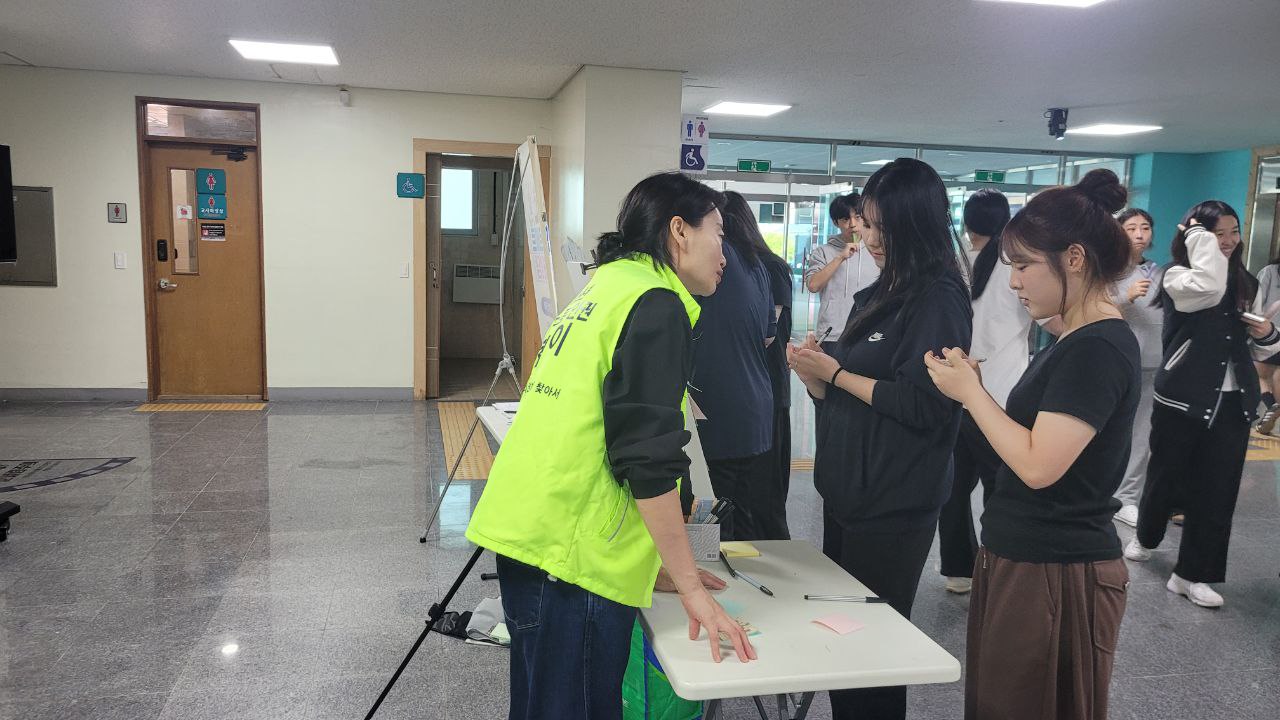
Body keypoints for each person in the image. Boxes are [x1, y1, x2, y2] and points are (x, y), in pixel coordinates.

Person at [465, 172, 755, 720]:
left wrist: (658, 567)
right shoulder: (656, 302)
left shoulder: (607, 287)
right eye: (720, 232)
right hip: (572, 556)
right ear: (679, 231)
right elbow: (646, 459)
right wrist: (693, 588)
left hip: (535, 534)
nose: (727, 251)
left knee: (540, 701)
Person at [925, 169, 1139, 720]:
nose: (1015, 282)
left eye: (1023, 266)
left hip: (1057, 568)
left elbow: (1040, 465)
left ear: (1074, 259)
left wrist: (971, 393)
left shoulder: (1098, 348)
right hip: (1027, 555)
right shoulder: (1072, 339)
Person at [789, 158, 971, 720]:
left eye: (873, 225)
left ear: (911, 223)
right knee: (848, 644)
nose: (863, 236)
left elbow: (925, 403)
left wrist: (837, 374)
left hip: (893, 501)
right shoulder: (883, 288)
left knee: (871, 657)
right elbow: (850, 392)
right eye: (862, 224)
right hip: (850, 493)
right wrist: (816, 376)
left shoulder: (938, 298)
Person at [1125, 200, 1280, 608]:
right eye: (1217, 233)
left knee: (1218, 490)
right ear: (1196, 237)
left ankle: (1193, 574)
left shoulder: (1247, 281)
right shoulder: (1179, 276)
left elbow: (1259, 347)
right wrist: (1197, 236)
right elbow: (1209, 287)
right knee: (1165, 476)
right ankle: (1146, 535)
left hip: (1233, 400)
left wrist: (1267, 333)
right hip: (1182, 396)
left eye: (1233, 231)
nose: (1227, 241)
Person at [936, 189, 1028, 594]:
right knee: (1001, 489)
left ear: (968, 224)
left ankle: (959, 569)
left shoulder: (957, 265)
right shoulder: (1018, 270)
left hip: (959, 392)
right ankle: (998, 566)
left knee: (953, 488)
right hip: (1006, 397)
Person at [689, 192, 781, 541]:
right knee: (742, 517)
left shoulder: (714, 266)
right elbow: (767, 337)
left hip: (719, 409)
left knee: (712, 525)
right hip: (755, 408)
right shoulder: (759, 265)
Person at [723, 191, 796, 532]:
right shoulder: (733, 267)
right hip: (744, 390)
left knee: (766, 496)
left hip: (767, 386)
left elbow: (765, 331)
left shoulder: (769, 267)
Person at [1111, 208, 1163, 527]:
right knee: (1110, 430)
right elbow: (1092, 311)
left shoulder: (1160, 272)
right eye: (1132, 228)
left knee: (1143, 434)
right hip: (1120, 364)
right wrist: (1125, 298)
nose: (1140, 233)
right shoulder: (1108, 271)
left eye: (1146, 227)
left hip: (1155, 364)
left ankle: (1126, 497)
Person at [804, 192, 881, 354]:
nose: (853, 224)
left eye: (858, 217)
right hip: (831, 334)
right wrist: (840, 257)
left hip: (868, 332)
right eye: (845, 219)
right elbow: (813, 285)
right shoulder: (822, 252)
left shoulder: (878, 252)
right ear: (836, 222)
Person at [1251, 255, 1280, 433]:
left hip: (1268, 332)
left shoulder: (1270, 272)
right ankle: (1272, 411)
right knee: (1278, 376)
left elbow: (1257, 301)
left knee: (1261, 376)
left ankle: (1271, 405)